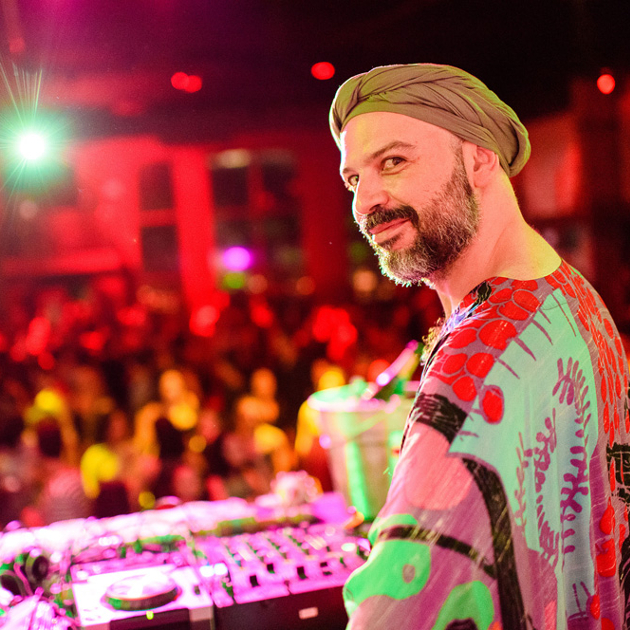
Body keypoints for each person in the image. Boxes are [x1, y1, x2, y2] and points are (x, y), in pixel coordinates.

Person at [329, 63, 630, 629]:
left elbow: (392, 614)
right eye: (353, 180)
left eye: (393, 161)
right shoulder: (571, 293)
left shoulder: (481, 357)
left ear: (480, 158)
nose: (364, 201)